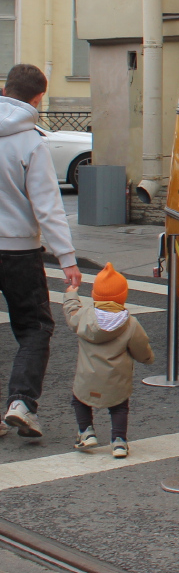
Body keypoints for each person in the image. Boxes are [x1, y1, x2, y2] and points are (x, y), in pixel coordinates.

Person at [0, 64, 81, 439]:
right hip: (19, 250)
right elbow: (47, 206)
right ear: (37, 99)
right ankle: (21, 403)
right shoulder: (31, 141)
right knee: (34, 327)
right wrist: (66, 259)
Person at [64, 263, 152, 458]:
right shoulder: (130, 323)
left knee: (79, 401)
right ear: (123, 296)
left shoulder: (85, 315)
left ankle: (86, 432)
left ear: (95, 294)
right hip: (116, 380)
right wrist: (148, 358)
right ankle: (119, 441)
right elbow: (140, 347)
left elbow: (71, 316)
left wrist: (71, 294)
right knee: (119, 407)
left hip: (86, 378)